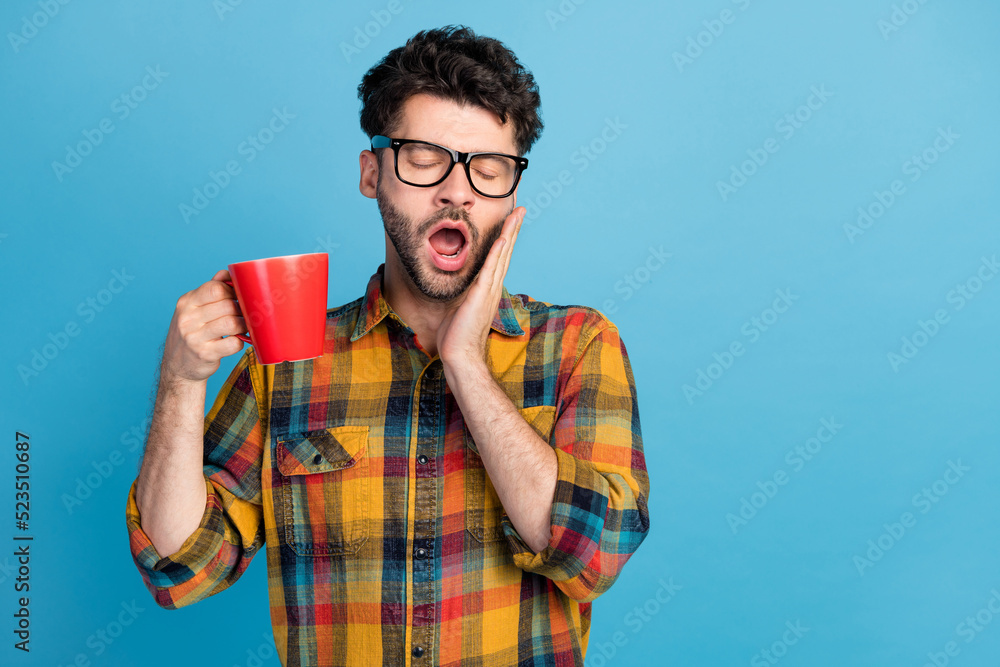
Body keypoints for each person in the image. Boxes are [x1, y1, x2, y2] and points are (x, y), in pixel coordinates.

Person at [125, 25, 650, 666]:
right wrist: (181, 379)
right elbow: (180, 566)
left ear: (513, 193)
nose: (458, 191)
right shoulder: (284, 363)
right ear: (373, 172)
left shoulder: (576, 347)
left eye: (488, 169)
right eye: (426, 159)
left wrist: (465, 363)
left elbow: (594, 555)